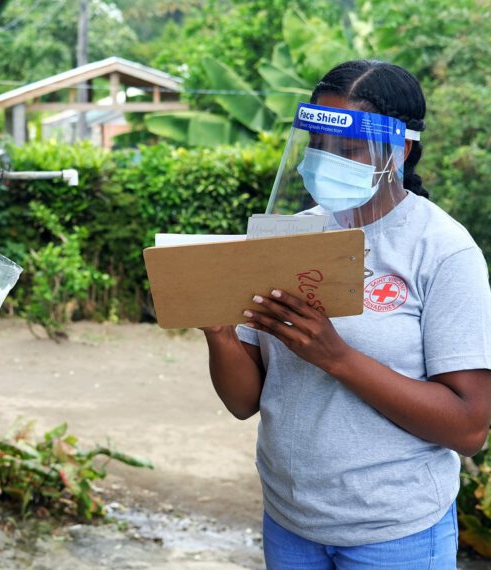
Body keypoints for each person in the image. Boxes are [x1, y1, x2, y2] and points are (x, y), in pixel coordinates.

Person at [202, 60, 491, 568]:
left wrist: (336, 357)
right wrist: (220, 334)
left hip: (395, 532)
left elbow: (468, 428)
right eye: (318, 144)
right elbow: (244, 402)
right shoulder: (285, 238)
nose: (328, 159)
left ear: (399, 150)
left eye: (349, 149)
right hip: (291, 521)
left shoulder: (442, 250)